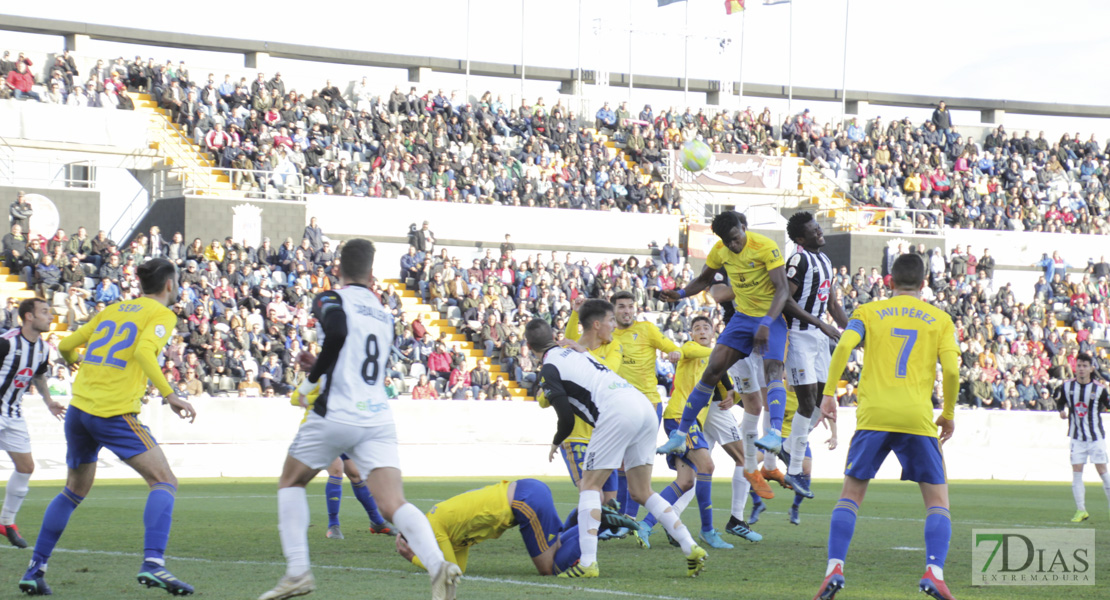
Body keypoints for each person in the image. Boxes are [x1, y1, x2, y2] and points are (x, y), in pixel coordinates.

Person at [260, 239, 460, 600]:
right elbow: (356, 356)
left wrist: (308, 381)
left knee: (291, 482)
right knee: (393, 503)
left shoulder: (330, 298)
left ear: (338, 269)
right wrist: (324, 363)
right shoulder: (384, 313)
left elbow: (336, 333)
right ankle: (437, 566)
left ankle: (297, 571)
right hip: (377, 416)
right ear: (372, 274)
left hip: (337, 410)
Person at [22, 258, 198, 596]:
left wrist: (83, 368)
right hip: (113, 412)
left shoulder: (113, 309)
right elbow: (146, 352)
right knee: (164, 480)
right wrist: (169, 394)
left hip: (79, 410)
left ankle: (35, 569)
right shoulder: (162, 314)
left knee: (73, 491)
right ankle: (153, 564)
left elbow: (65, 346)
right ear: (170, 285)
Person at [814, 253, 960, 600]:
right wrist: (949, 412)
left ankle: (834, 567)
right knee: (937, 502)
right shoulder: (940, 319)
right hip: (917, 418)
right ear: (924, 284)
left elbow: (844, 346)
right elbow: (952, 371)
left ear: (889, 282)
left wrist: (829, 393)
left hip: (874, 416)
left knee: (850, 496)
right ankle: (934, 572)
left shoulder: (867, 312)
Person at [527, 318, 707, 579]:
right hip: (642, 405)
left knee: (590, 487)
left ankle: (588, 563)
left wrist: (556, 441)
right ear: (555, 337)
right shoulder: (576, 350)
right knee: (641, 491)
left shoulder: (549, 368)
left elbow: (566, 417)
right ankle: (690, 546)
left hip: (616, 412)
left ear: (530, 347)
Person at [657, 211, 790, 465]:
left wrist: (765, 323)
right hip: (742, 319)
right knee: (712, 370)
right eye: (727, 241)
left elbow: (782, 289)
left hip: (770, 318)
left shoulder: (765, 247)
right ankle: (680, 434)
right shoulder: (721, 250)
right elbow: (705, 280)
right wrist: (681, 293)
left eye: (735, 238)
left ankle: (774, 434)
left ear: (743, 227)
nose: (733, 245)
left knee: (772, 371)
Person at [639, 315, 760, 550]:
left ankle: (645, 524)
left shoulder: (715, 363)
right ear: (691, 335)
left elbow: (728, 387)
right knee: (708, 467)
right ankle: (708, 531)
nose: (702, 331)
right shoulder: (691, 349)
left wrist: (732, 394)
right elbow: (687, 353)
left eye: (706, 327)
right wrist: (729, 350)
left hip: (690, 422)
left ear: (713, 333)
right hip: (679, 418)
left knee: (685, 482)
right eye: (697, 328)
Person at [394, 479, 632, 576]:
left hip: (523, 501)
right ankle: (588, 519)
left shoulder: (434, 526)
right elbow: (459, 567)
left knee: (549, 568)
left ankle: (597, 523)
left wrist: (412, 557)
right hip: (526, 493)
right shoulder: (440, 526)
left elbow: (447, 569)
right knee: (556, 547)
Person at [780, 212, 849, 498]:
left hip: (820, 338)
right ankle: (794, 468)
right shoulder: (798, 260)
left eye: (819, 228)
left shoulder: (825, 261)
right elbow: (784, 300)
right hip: (798, 336)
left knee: (820, 403)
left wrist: (852, 329)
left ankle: (786, 448)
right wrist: (821, 323)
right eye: (813, 230)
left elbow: (831, 302)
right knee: (807, 402)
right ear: (800, 238)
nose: (819, 232)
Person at [608, 290, 688, 519]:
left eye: (630, 306)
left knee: (638, 463)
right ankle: (623, 518)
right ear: (613, 309)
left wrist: (674, 352)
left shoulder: (646, 330)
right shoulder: (608, 334)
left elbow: (673, 348)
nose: (626, 311)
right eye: (621, 306)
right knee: (621, 463)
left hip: (648, 404)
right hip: (619, 406)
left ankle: (630, 517)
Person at [552, 299, 623, 536]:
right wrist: (574, 314)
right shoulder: (571, 353)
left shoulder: (613, 348)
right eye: (611, 320)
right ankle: (570, 539)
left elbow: (607, 372)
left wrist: (583, 353)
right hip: (577, 437)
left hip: (603, 437)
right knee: (594, 494)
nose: (615, 325)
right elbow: (545, 396)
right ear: (596, 324)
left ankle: (567, 533)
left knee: (608, 503)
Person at [0, 299, 67, 548]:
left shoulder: (42, 347)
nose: (50, 317)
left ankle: (7, 523)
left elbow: (38, 374)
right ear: (28, 316)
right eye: (44, 312)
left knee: (26, 467)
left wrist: (49, 401)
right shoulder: (6, 342)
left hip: (14, 414)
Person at [286, 389, 393, 539]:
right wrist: (321, 398)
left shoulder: (345, 379)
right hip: (320, 430)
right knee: (336, 470)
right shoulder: (317, 377)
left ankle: (377, 522)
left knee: (355, 474)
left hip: (343, 429)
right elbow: (295, 398)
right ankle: (333, 525)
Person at [1055, 353, 1110, 523]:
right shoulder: (1067, 387)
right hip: (1077, 438)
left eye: (1084, 366)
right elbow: (1059, 401)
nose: (1081, 369)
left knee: (1103, 472)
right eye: (1078, 365)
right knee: (1077, 473)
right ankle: (1081, 510)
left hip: (1095, 438)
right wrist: (1061, 411)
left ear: (1091, 368)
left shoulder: (1099, 389)